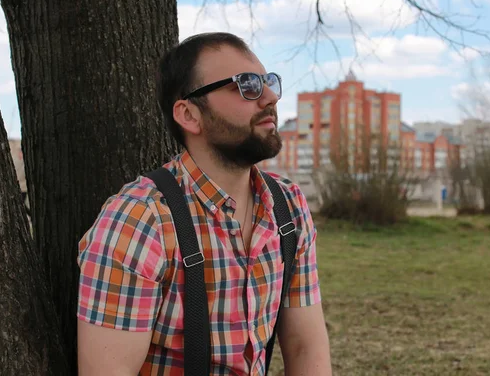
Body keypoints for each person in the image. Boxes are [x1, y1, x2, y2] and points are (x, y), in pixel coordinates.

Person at [77, 32, 332, 375]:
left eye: (267, 82)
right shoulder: (140, 221)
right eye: (246, 85)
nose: (270, 97)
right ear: (189, 115)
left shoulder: (289, 207)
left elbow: (307, 348)